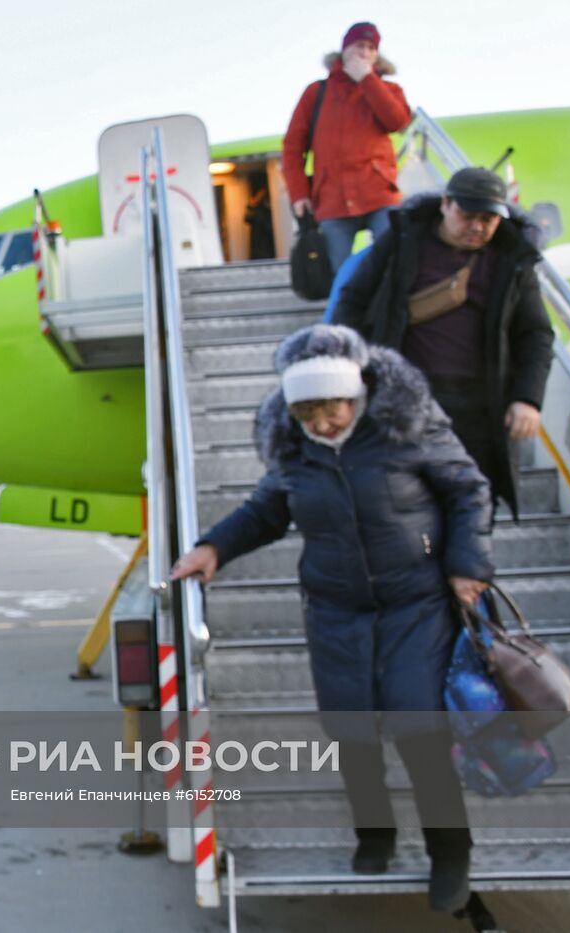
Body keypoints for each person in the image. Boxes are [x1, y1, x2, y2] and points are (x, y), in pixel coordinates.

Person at [171, 324, 493, 914]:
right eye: (309, 412)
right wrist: (212, 547)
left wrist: (466, 564)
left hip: (415, 605)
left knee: (420, 731)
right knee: (351, 734)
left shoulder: (405, 427)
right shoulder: (296, 451)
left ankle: (451, 851)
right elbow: (266, 510)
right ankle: (375, 834)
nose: (324, 423)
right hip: (336, 610)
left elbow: (469, 490)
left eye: (334, 407)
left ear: (357, 394)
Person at [335, 166, 555, 517]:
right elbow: (353, 302)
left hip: (481, 409)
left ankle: (468, 573)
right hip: (405, 403)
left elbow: (536, 335)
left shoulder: (513, 260)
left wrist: (527, 398)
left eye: (488, 219)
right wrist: (344, 372)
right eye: (467, 215)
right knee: (405, 509)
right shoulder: (402, 241)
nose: (477, 227)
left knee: (475, 509)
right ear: (445, 204)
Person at [283, 22, 411, 276]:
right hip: (333, 199)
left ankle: (388, 313)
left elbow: (397, 122)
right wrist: (299, 193)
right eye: (359, 46)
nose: (365, 52)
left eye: (371, 48)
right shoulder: (316, 92)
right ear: (344, 50)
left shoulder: (388, 90)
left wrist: (368, 79)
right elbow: (293, 146)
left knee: (395, 263)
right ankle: (348, 316)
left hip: (379, 192)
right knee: (342, 275)